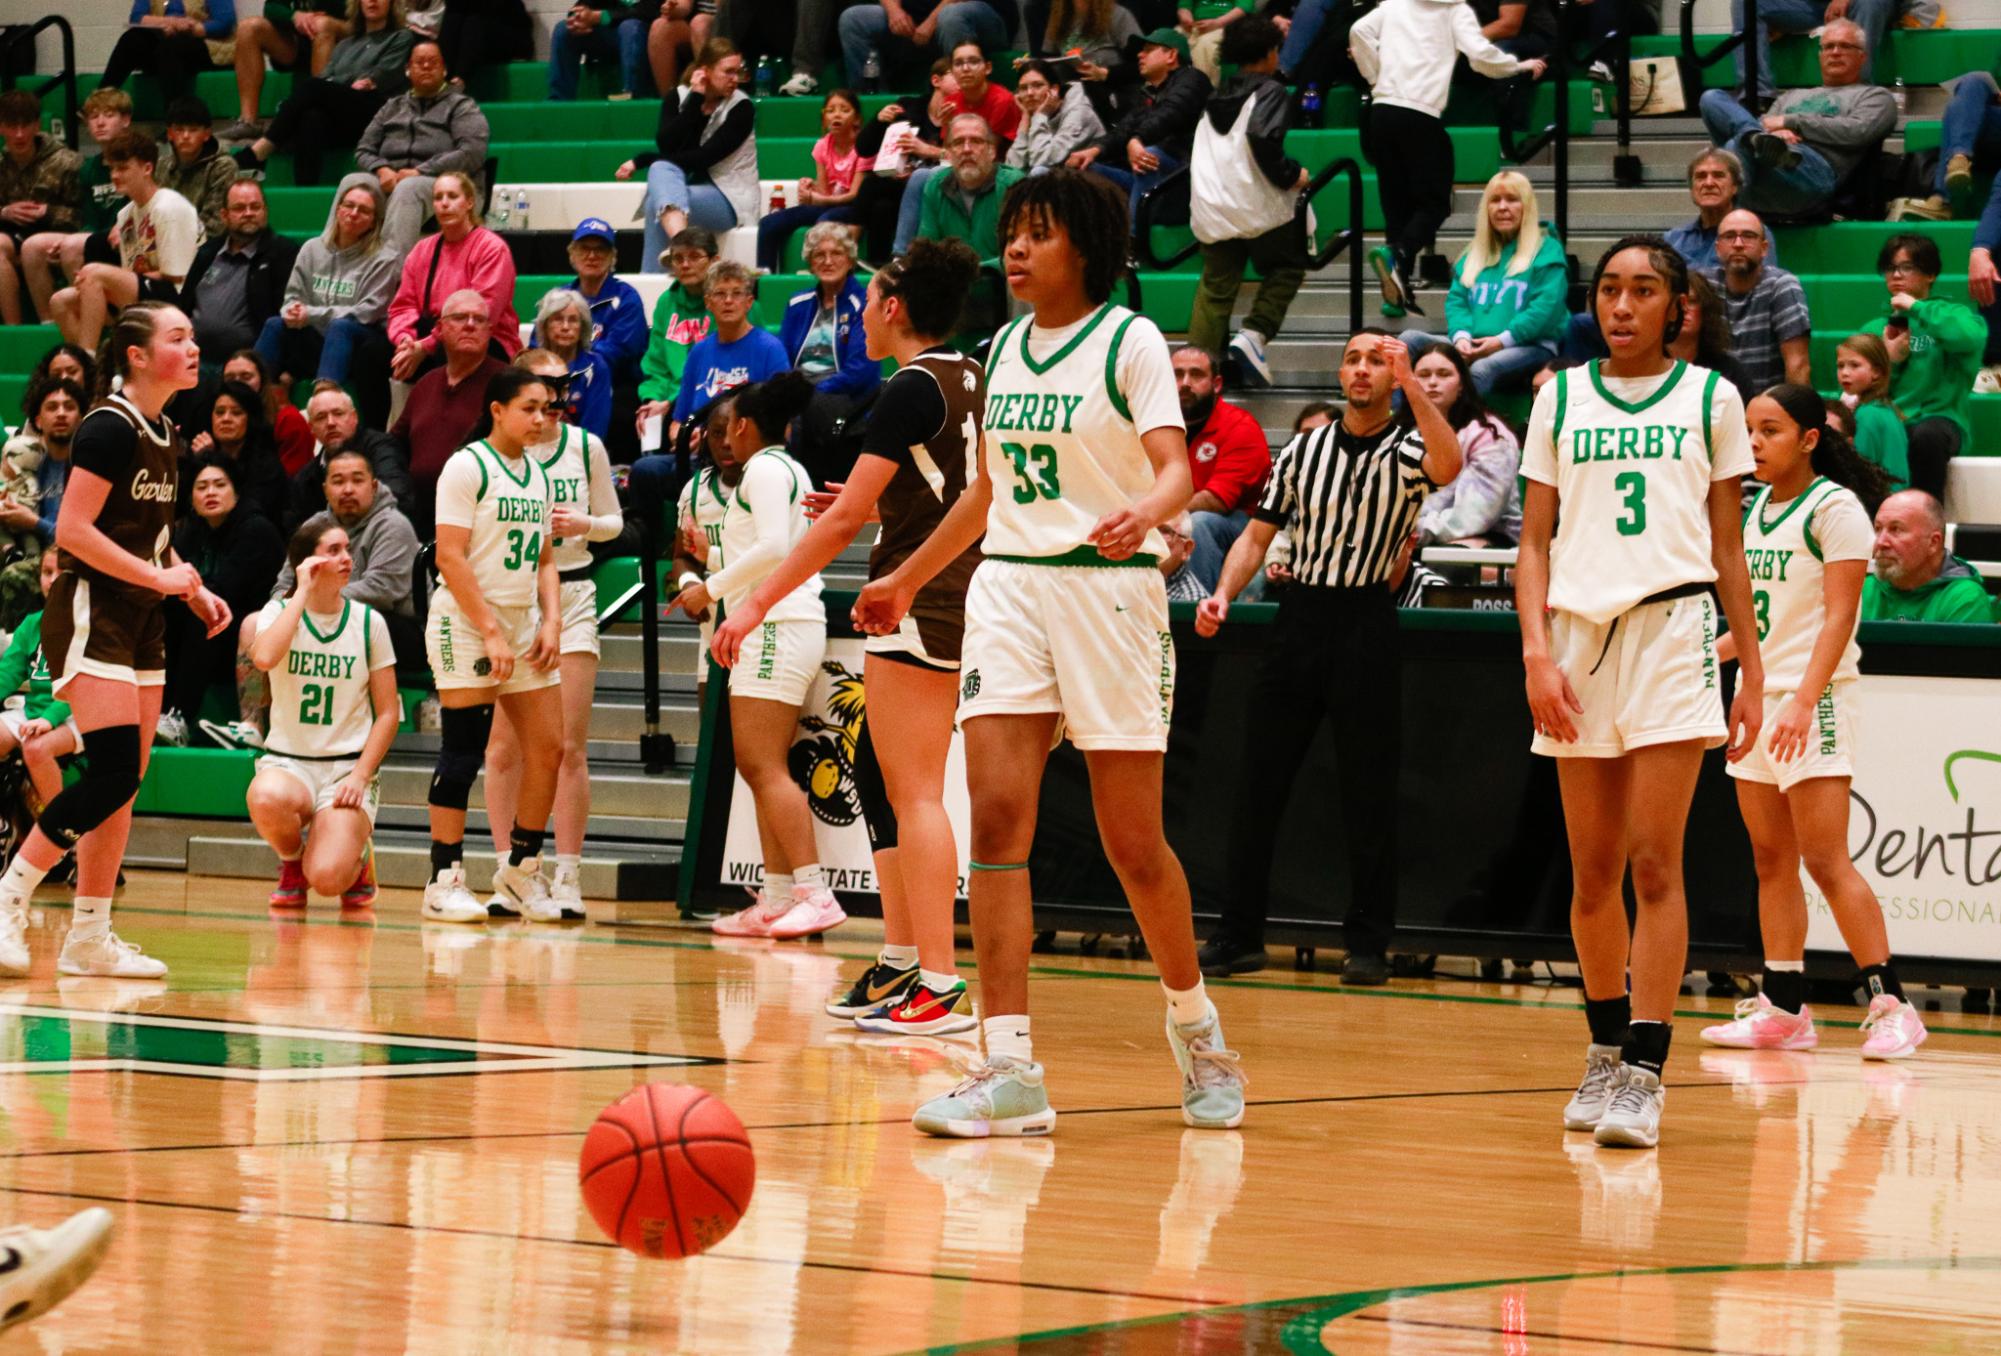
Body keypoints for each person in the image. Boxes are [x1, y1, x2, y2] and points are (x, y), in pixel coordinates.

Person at [853, 169, 1250, 1137]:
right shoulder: (1001, 351)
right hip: (1011, 589)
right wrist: (906, 576)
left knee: (1133, 845)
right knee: (994, 823)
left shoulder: (1131, 341)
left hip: (1106, 594)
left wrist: (1151, 515)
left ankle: (1196, 1026)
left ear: (1088, 245)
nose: (1017, 249)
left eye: (1038, 233)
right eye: (1013, 233)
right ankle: (1010, 1065)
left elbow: (1174, 470)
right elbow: (983, 498)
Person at [1516, 236, 1764, 1151]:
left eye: (1643, 291)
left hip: (1671, 631)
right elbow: (1532, 542)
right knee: (1590, 873)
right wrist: (1537, 655)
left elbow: (1728, 546)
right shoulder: (1561, 395)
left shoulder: (1713, 398)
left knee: (1655, 864)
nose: (1623, 306)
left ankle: (1648, 1071)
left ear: (1676, 308)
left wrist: (1756, 671)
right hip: (1576, 638)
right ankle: (1604, 1048)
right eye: (1610, 290)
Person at [713, 238, 986, 1026]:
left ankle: (938, 978)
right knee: (874, 775)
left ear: (893, 308)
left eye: (868, 301)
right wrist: (873, 503)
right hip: (947, 588)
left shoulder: (906, 386)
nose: (859, 314)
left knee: (915, 792)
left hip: (920, 597)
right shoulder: (969, 372)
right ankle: (902, 961)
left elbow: (834, 525)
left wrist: (754, 602)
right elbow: (943, 484)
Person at [1195, 330, 1461, 982]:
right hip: (1298, 617)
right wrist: (1222, 594)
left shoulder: (1406, 449)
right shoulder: (1303, 448)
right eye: (1353, 358)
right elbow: (1257, 535)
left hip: (1365, 618)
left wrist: (1412, 390)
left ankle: (1368, 944)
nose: (1362, 369)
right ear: (1340, 373)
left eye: (1376, 359)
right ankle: (1239, 935)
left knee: (1368, 791)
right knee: (1258, 782)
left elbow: (1449, 465)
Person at [0, 302, 234, 981]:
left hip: (142, 618)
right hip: (90, 611)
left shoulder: (165, 428)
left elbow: (147, 534)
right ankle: (11, 895)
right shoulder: (107, 425)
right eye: (178, 337)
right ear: (135, 354)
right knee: (111, 774)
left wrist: (187, 590)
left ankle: (90, 936)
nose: (193, 348)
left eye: (193, 336)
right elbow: (71, 531)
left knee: (123, 789)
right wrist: (162, 579)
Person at [1700, 383, 1928, 1060]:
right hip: (1757, 695)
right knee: (1769, 859)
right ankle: (1784, 1005)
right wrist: (1706, 655)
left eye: (1768, 430)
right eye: (1747, 430)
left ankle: (1891, 1002)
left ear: (1806, 439)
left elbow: (1837, 615)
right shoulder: (1752, 509)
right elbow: (1759, 619)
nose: (1753, 443)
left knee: (1824, 858)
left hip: (1814, 697)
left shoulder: (1834, 508)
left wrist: (1802, 697)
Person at [667, 374, 848, 941]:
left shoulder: (767, 469)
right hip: (773, 624)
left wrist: (710, 586)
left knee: (763, 764)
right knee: (758, 765)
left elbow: (773, 548)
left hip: (776, 624)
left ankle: (814, 892)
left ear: (745, 426)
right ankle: (775, 897)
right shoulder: (783, 468)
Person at [477, 350, 622, 920]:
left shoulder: (586, 447)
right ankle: (510, 872)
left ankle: (567, 873)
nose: (551, 402)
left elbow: (614, 522)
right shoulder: (489, 460)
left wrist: (581, 523)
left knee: (565, 746)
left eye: (559, 389)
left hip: (574, 592)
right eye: (540, 390)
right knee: (502, 748)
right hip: (508, 598)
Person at [420, 367, 567, 924]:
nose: (539, 418)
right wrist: (488, 629)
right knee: (463, 752)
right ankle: (444, 878)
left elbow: (546, 560)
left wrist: (551, 621)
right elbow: (449, 557)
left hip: (523, 626)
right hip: (466, 623)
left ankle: (520, 871)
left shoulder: (537, 473)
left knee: (549, 749)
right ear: (497, 410)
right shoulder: (466, 466)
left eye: (546, 409)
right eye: (529, 407)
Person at [1351, 0, 1544, 315]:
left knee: (1396, 204)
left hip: (1381, 112)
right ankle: (1399, 255)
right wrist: (1517, 66)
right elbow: (1481, 57)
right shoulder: (1455, 10)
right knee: (1435, 203)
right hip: (1421, 114)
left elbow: (1358, 31)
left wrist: (1375, 76)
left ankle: (1396, 295)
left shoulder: (1394, 5)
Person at [246, 517, 399, 908]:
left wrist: (362, 775)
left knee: (329, 880)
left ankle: (358, 860)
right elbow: (263, 657)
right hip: (288, 763)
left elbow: (387, 714)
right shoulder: (278, 612)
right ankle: (291, 863)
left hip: (345, 770)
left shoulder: (369, 623)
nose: (347, 557)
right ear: (307, 564)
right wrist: (301, 593)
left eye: (347, 549)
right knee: (264, 797)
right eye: (334, 551)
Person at [1698, 20, 1895, 220]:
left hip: (1813, 176)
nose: (1835, 52)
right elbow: (1767, 124)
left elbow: (1858, 131)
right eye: (1828, 47)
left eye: (1845, 46)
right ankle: (1754, 139)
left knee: (1737, 144)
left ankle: (1725, 217)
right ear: (1820, 55)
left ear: (1863, 56)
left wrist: (1791, 122)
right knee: (1711, 98)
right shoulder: (1791, 95)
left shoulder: (1875, 96)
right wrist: (1771, 133)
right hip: (1763, 172)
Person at [1405, 170, 1568, 394]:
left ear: (1527, 207)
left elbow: (1544, 308)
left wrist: (1501, 341)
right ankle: (1399, 421)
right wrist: (1461, 337)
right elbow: (1457, 302)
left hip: (1530, 345)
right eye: (1495, 200)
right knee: (1406, 341)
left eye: (1512, 200)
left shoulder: (1548, 251)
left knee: (1482, 369)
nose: (1502, 207)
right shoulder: (1472, 254)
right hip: (1473, 342)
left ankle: (1461, 427)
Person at [160, 458, 285, 746]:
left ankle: (179, 716)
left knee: (202, 614)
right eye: (201, 487)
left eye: (220, 485)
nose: (210, 493)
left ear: (237, 492)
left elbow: (223, 593)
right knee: (166, 611)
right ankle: (160, 712)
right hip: (211, 634)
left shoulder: (257, 530)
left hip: (254, 633)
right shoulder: (191, 532)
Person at [228, 0, 418, 190]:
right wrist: (346, 82)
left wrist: (342, 81)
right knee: (311, 117)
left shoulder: (402, 37)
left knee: (313, 87)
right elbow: (329, 78)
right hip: (345, 112)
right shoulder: (346, 44)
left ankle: (260, 150)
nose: (373, 0)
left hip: (376, 111)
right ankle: (304, 191)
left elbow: (382, 77)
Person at [323, 39, 489, 253]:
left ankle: (392, 271)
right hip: (392, 178)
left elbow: (471, 153)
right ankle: (330, 256)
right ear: (408, 70)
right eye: (420, 62)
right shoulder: (392, 107)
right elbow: (363, 149)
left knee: (408, 188)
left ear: (444, 69)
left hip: (442, 183)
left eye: (433, 62)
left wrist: (420, 171)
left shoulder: (461, 106)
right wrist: (381, 169)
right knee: (353, 182)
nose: (427, 66)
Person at [50, 133, 204, 354]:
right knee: (61, 300)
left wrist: (104, 278)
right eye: (112, 169)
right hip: (144, 291)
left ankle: (87, 363)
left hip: (181, 296)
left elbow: (179, 276)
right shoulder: (125, 215)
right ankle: (90, 363)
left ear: (147, 168)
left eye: (122, 168)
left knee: (93, 273)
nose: (114, 175)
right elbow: (131, 271)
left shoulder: (169, 207)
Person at [1860, 234, 1988, 500]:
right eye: (1890, 268)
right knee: (1867, 422)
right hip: (1891, 419)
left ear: (1930, 274)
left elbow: (1969, 338)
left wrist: (1917, 308)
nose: (1896, 275)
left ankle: (1925, 516)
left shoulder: (1954, 315)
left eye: (1906, 267)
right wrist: (1890, 363)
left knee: (1925, 435)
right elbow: (1857, 388)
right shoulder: (1875, 329)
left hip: (1941, 421)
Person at [616, 39, 757, 274]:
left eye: (739, 72)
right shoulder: (678, 97)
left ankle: (662, 268)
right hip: (684, 189)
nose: (735, 78)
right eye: (728, 71)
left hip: (729, 197)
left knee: (656, 201)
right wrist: (696, 100)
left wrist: (642, 160)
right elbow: (667, 144)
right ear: (705, 70)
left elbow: (704, 157)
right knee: (660, 178)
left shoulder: (742, 108)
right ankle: (683, 244)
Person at [256, 178, 398, 407]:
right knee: (274, 324)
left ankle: (324, 401)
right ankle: (252, 397)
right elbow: (293, 295)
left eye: (363, 210)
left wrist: (310, 314)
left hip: (358, 345)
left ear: (374, 221)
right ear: (338, 209)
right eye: (348, 205)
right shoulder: (312, 248)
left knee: (340, 327)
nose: (353, 213)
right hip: (315, 339)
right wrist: (291, 310)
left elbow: (367, 312)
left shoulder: (385, 259)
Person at [387, 172, 521, 383]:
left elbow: (481, 317)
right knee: (373, 348)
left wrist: (425, 346)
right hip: (431, 336)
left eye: (452, 196)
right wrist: (406, 341)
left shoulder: (492, 248)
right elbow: (402, 307)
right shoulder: (422, 250)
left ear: (469, 202)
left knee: (450, 347)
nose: (444, 204)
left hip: (484, 338)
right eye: (438, 198)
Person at [392, 288, 509, 525]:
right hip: (421, 519)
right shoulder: (426, 384)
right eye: (459, 318)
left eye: (479, 319)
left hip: (483, 520)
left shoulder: (509, 383)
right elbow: (393, 445)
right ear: (441, 329)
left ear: (489, 331)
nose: (470, 325)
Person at [777, 223, 882, 486]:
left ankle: (801, 488)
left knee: (806, 410)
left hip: (846, 396)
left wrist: (811, 391)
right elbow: (783, 359)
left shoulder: (864, 304)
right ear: (810, 263)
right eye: (819, 255)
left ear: (850, 261)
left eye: (836, 254)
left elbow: (861, 371)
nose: (827, 261)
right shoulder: (796, 304)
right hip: (800, 392)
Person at [17, 91, 134, 328]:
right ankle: (50, 323)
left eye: (108, 115)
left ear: (126, 120)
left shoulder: (138, 157)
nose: (100, 122)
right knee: (33, 247)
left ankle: (99, 321)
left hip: (127, 234)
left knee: (72, 246)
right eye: (93, 117)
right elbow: (88, 216)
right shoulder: (89, 167)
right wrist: (78, 236)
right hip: (96, 233)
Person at [1075, 28, 1212, 228]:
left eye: (1148, 49)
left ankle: (1134, 244)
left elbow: (1171, 112)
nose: (1140, 54)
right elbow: (1124, 129)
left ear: (1171, 55)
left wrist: (1137, 139)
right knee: (1085, 167)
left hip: (1185, 176)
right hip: (1149, 179)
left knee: (1148, 156)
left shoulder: (1192, 79)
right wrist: (1094, 150)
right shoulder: (1148, 93)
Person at [1170, 345, 1269, 591]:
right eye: (1177, 374)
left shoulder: (1240, 426)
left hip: (1240, 525)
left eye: (1196, 375)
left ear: (1216, 384)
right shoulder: (1154, 426)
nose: (1185, 383)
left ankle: (1196, 610)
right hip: (1172, 517)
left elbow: (1217, 500)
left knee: (1200, 522)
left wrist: (1155, 514)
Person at [1410, 342, 1521, 545]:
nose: (1433, 382)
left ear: (1461, 384)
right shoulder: (1402, 434)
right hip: (1410, 538)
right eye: (1424, 375)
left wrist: (1404, 532)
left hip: (1488, 539)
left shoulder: (1490, 435)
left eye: (1444, 374)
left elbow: (1472, 517)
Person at [0, 553, 87, 813]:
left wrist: (49, 719)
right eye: (47, 572)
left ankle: (58, 829)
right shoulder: (32, 623)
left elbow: (78, 686)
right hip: (34, 711)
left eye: (62, 572)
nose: (53, 579)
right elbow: (8, 673)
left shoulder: (89, 625)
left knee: (36, 748)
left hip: (79, 714)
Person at [180, 180, 302, 365]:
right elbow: (185, 303)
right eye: (239, 208)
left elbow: (286, 318)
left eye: (255, 207)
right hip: (195, 360)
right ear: (224, 215)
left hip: (251, 367)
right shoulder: (208, 252)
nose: (248, 213)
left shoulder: (283, 253)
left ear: (265, 211)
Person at [670, 260, 790, 443]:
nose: (728, 301)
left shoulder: (770, 349)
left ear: (749, 302)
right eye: (719, 294)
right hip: (701, 451)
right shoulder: (698, 352)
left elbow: (784, 425)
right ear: (708, 303)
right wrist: (686, 438)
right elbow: (678, 423)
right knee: (647, 469)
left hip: (749, 451)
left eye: (736, 294)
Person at [0, 377, 83, 632]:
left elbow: (82, 534)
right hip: (33, 555)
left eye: (69, 407)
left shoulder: (88, 466)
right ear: (37, 420)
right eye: (52, 407)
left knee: (15, 578)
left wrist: (33, 522)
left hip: (75, 559)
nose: (60, 413)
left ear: (81, 418)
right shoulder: (28, 465)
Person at [756, 89, 868, 274]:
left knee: (824, 220)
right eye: (831, 110)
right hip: (830, 203)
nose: (836, 115)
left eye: (844, 110)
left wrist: (817, 198)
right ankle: (763, 281)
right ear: (824, 119)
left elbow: (854, 195)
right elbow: (825, 192)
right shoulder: (822, 146)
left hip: (855, 207)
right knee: (769, 223)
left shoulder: (863, 147)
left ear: (857, 119)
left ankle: (817, 269)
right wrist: (811, 188)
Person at [1700, 209, 1811, 394]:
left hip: (1766, 407)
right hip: (1712, 406)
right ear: (1718, 248)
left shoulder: (1782, 285)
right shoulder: (1704, 285)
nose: (1738, 244)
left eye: (1748, 236)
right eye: (1729, 236)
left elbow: (1798, 365)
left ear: (1764, 249)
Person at [0, 91, 82, 327]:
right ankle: (12, 330)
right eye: (11, 126)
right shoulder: (1, 164)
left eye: (25, 126)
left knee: (31, 248)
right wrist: (4, 212)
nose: (19, 134)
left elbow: (83, 216)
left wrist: (49, 212)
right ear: (1, 128)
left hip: (58, 234)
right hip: (11, 233)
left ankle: (49, 321)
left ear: (37, 125)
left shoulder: (67, 162)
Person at [909, 116, 1024, 276]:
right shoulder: (935, 185)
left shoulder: (1014, 185)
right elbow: (927, 251)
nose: (967, 149)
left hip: (1003, 285)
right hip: (952, 288)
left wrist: (975, 271)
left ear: (992, 151)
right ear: (948, 153)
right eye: (958, 142)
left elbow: (1022, 253)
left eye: (976, 141)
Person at [1862, 489, 1998, 622]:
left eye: (1896, 529)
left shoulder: (1964, 599)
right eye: (1878, 529)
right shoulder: (1862, 591)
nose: (1880, 542)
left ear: (1933, 542)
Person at [222, 0, 351, 139]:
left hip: (347, 32)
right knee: (248, 27)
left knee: (322, 24)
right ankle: (248, 122)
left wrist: (317, 20)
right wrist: (295, 16)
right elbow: (271, 8)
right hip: (300, 39)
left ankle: (317, 117)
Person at [636, 226, 716, 436]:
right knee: (644, 416)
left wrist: (672, 402)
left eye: (694, 257)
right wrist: (653, 399)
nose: (685, 264)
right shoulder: (666, 302)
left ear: (714, 261)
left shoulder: (726, 302)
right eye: (678, 258)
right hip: (669, 398)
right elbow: (656, 364)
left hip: (711, 398)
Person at [837, 0, 1021, 90]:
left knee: (951, 16)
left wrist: (932, 21)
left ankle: (961, 99)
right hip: (917, 22)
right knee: (854, 18)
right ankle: (872, 101)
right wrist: (894, 11)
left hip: (980, 19)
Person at [561, 217, 648, 395]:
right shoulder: (560, 298)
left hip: (615, 387)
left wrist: (569, 358)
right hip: (562, 380)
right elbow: (538, 342)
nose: (592, 255)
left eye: (600, 249)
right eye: (585, 248)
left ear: (612, 257)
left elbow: (617, 353)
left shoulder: (627, 299)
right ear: (572, 254)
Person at [97, 0, 238, 106]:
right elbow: (137, 17)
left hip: (203, 44)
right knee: (132, 38)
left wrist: (188, 28)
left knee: (172, 46)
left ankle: (175, 120)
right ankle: (98, 102)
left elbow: (224, 23)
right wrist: (170, 22)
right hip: (164, 41)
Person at [185, 380, 288, 524]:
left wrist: (214, 458)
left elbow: (251, 513)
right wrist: (203, 460)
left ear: (250, 419)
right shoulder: (200, 457)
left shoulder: (267, 466)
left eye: (236, 413)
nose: (226, 419)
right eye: (219, 412)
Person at [1664, 148, 1768, 273]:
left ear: (1735, 187)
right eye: (1700, 176)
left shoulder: (1753, 234)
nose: (1708, 183)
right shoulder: (1674, 239)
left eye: (1718, 176)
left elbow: (1763, 287)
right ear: (1692, 189)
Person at [529, 289, 614, 440]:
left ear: (583, 327)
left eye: (573, 320)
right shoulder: (530, 366)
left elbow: (594, 432)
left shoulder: (596, 368)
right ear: (544, 326)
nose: (565, 327)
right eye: (558, 319)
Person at [1833, 333, 1911, 490]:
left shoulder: (1867, 415)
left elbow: (1858, 471)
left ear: (1876, 372)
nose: (1845, 373)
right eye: (1840, 366)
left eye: (1854, 365)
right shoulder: (1887, 409)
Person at [221, 349, 315, 476]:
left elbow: (293, 482)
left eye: (246, 377)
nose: (237, 383)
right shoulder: (218, 420)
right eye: (230, 378)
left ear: (262, 380)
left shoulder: (288, 420)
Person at [1007, 59, 1106, 177]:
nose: (1029, 93)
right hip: (1061, 178)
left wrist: (1040, 116)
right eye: (1023, 88)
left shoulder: (1079, 111)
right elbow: (1011, 167)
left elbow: (1042, 161)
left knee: (1039, 173)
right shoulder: (1033, 112)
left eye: (1038, 85)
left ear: (1054, 89)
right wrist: (1025, 120)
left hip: (1093, 178)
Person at [155, 98, 237, 240]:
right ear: (169, 134)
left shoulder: (223, 167)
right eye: (179, 130)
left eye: (193, 130)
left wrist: (170, 237)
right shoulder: (161, 165)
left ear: (206, 134)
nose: (186, 136)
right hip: (165, 238)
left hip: (206, 242)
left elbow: (216, 224)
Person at [549, 0, 660, 101]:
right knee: (563, 29)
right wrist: (577, 17)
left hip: (644, 36)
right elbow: (583, 4)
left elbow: (651, 11)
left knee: (630, 27)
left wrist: (601, 17)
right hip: (610, 33)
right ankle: (559, 99)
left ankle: (633, 95)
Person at [943, 41, 1023, 147]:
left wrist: (928, 150)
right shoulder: (950, 101)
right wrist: (947, 125)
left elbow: (986, 150)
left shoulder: (1002, 100)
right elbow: (948, 148)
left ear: (988, 68)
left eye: (973, 62)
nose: (965, 68)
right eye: (958, 63)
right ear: (952, 71)